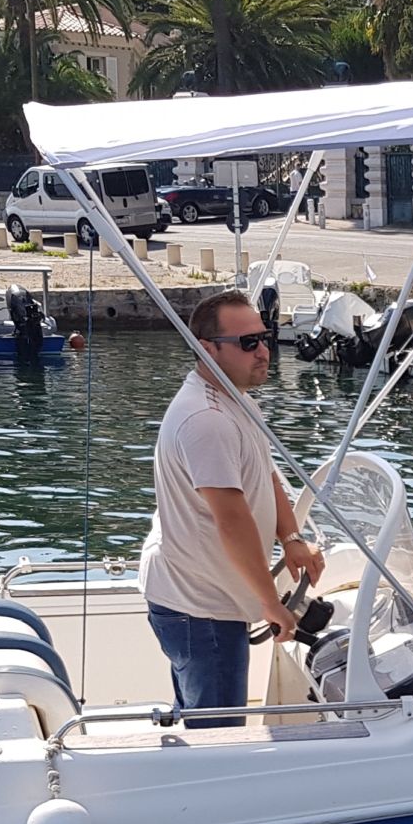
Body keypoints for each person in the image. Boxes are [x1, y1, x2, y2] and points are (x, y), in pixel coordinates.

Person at [141, 289, 324, 724]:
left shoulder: (237, 401)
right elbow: (232, 520)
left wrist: (291, 537)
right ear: (207, 349)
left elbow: (265, 473)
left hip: (200, 595)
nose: (263, 352)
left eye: (266, 337)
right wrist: (270, 603)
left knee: (203, 721)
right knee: (216, 735)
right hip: (201, 608)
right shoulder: (207, 421)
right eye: (248, 343)